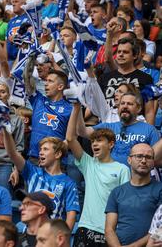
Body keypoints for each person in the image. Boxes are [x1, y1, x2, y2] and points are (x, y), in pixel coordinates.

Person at [67, 103, 131, 247]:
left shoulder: (122, 169)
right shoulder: (88, 163)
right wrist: (76, 108)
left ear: (111, 144)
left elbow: (125, 203)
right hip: (85, 228)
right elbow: (71, 139)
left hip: (108, 232)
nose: (94, 144)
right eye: (93, 141)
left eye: (99, 140)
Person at [3, 129, 79, 230]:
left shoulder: (69, 183)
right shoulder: (32, 172)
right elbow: (12, 153)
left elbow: (71, 216)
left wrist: (62, 240)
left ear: (57, 154)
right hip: (29, 232)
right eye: (40, 150)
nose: (40, 153)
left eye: (45, 149)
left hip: (51, 236)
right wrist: (5, 129)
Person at [77, 92, 160, 167]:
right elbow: (82, 131)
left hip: (136, 179)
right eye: (122, 103)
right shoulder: (108, 127)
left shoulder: (150, 130)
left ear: (138, 108)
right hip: (109, 178)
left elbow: (156, 158)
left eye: (130, 104)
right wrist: (77, 106)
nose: (125, 106)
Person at [105, 143, 162, 246]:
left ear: (153, 162)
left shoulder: (160, 189)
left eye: (148, 157)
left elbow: (160, 227)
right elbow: (109, 230)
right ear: (129, 160)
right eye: (139, 156)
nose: (144, 161)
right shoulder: (117, 192)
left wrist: (134, 246)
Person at [98, 37, 155, 124]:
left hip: (135, 126)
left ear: (135, 55)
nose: (120, 54)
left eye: (125, 52)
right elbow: (96, 105)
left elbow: (149, 111)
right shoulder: (104, 78)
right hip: (107, 125)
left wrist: (149, 133)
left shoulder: (146, 78)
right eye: (119, 52)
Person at [24, 69, 72, 161]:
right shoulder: (38, 100)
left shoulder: (71, 109)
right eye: (46, 80)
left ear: (60, 86)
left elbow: (72, 137)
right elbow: (26, 81)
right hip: (34, 157)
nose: (46, 84)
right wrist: (30, 59)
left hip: (56, 161)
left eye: (50, 81)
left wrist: (58, 151)